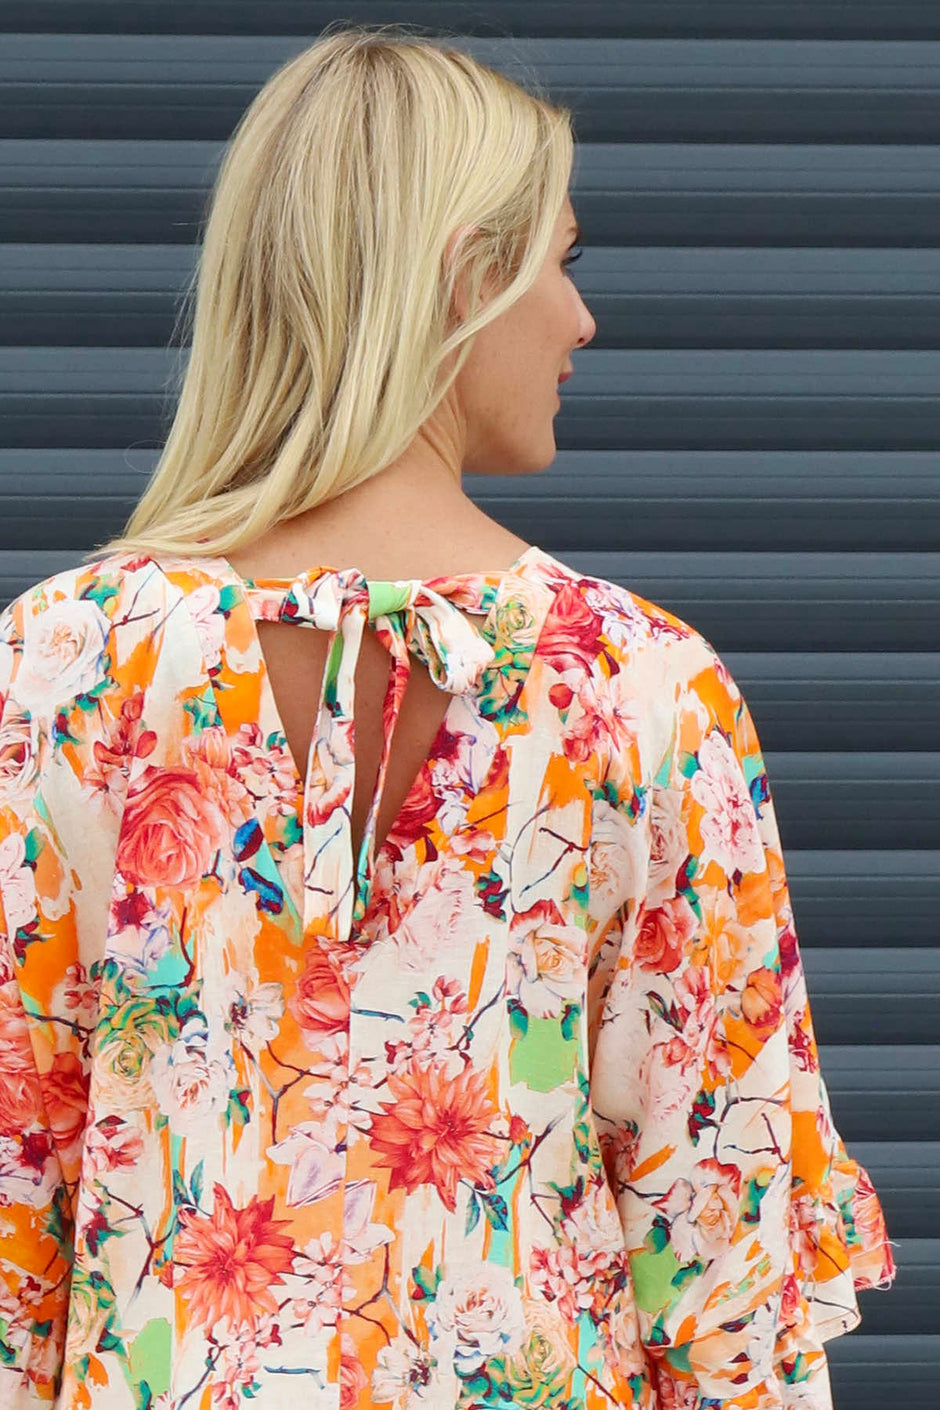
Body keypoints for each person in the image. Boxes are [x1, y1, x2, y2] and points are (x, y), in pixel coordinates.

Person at [0, 25, 895, 1410]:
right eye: (562, 261)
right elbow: (723, 1261)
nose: (582, 321)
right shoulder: (639, 687)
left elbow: (17, 1205)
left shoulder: (61, 666)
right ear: (468, 272)